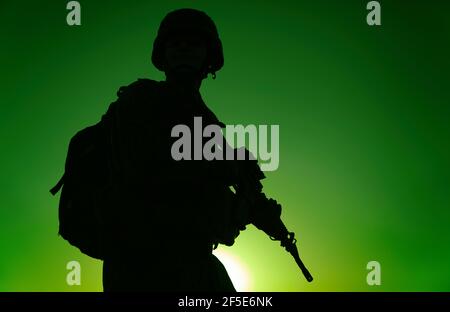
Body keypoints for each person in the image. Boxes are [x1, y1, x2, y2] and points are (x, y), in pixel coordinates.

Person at [100, 8, 243, 292]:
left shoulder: (204, 122)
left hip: (186, 260)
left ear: (209, 58)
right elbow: (150, 178)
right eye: (175, 44)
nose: (184, 50)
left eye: (193, 44)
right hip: (144, 263)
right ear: (162, 55)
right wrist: (233, 204)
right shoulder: (141, 100)